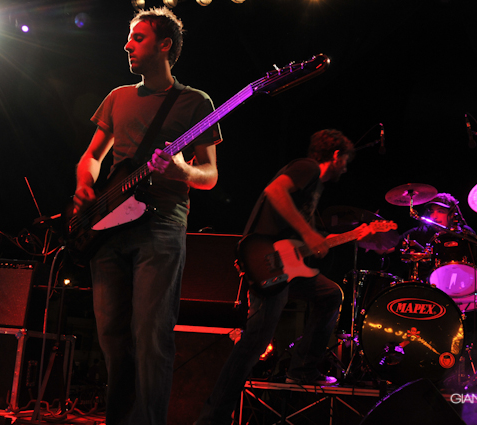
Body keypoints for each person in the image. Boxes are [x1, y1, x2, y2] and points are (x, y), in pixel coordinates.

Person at [72, 7, 221, 425]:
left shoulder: (196, 102)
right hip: (108, 227)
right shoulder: (117, 97)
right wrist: (84, 184)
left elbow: (209, 175)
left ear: (164, 45)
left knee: (151, 335)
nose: (127, 45)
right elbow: (92, 156)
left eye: (138, 38)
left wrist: (182, 171)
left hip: (160, 225)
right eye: (129, 37)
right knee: (111, 336)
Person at [196, 129, 354, 425]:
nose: (346, 168)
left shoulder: (312, 189)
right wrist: (309, 233)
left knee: (330, 294)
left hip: (286, 265)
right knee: (253, 345)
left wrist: (352, 236)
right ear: (336, 156)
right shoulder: (307, 167)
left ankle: (303, 369)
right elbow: (275, 191)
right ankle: (211, 419)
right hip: (266, 263)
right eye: (345, 160)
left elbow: (297, 235)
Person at [383, 193, 477, 371]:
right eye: (432, 211)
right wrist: (375, 237)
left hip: (464, 292)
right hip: (430, 291)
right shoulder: (419, 233)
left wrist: (471, 277)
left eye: (440, 211)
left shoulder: (465, 234)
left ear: (453, 213)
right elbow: (386, 247)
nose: (434, 215)